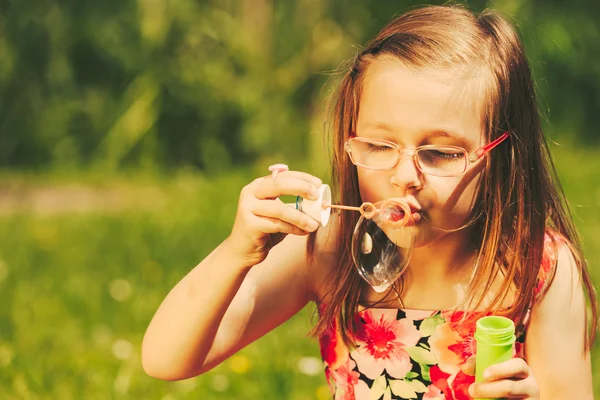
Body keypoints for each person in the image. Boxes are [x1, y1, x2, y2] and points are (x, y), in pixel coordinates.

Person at [141, 4, 598, 399]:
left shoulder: (537, 268)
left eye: (440, 153)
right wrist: (237, 252)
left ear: (501, 154)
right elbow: (166, 358)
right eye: (379, 147)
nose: (405, 177)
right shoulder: (330, 247)